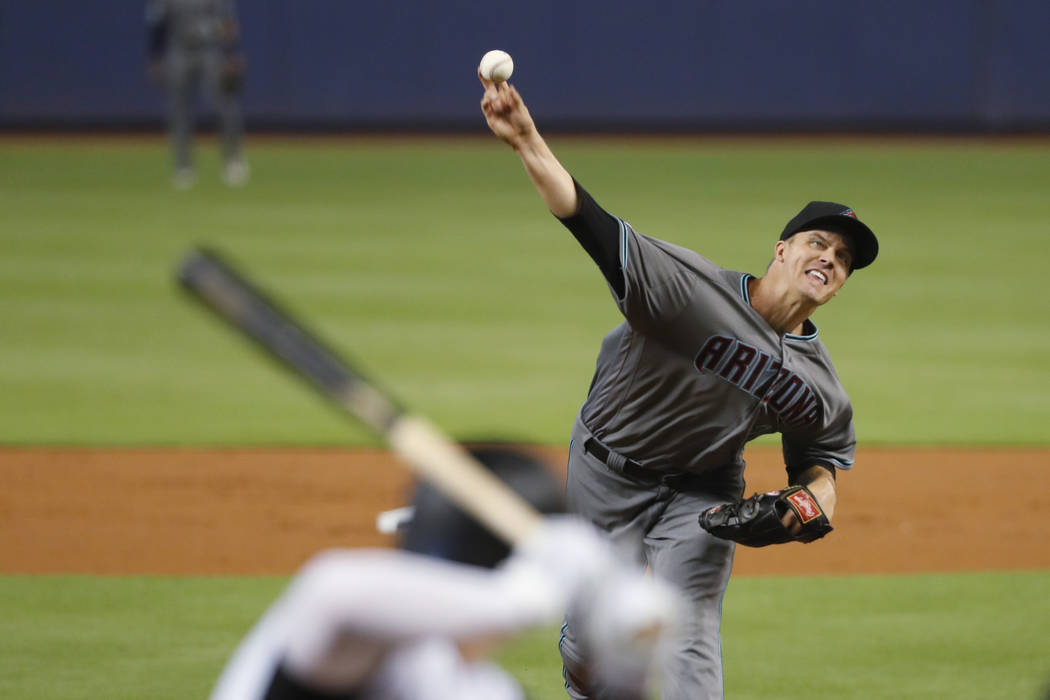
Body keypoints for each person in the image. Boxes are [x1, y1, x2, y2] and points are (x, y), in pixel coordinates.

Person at [478, 74, 879, 700]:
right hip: (606, 470)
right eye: (817, 243)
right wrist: (526, 137)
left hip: (703, 491)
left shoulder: (816, 382)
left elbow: (821, 467)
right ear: (781, 250)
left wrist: (803, 508)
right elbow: (588, 222)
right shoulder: (689, 292)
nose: (830, 258)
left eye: (844, 259)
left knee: (691, 631)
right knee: (593, 650)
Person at [208, 446, 684, 700]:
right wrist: (519, 598)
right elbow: (335, 593)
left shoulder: (484, 691)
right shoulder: (363, 648)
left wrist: (628, 674)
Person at [146, 0, 249, 189]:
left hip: (210, 49)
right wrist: (155, 56)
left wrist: (233, 53)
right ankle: (183, 167)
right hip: (179, 49)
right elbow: (158, 24)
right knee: (178, 111)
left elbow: (229, 24)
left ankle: (233, 160)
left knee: (224, 105)